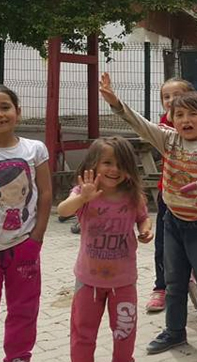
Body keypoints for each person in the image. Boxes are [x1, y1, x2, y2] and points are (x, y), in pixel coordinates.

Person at [99, 72, 197, 354]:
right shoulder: (168, 140)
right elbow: (139, 124)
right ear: (172, 119)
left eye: (193, 114)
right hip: (173, 223)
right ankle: (174, 332)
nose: (185, 120)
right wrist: (115, 102)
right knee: (174, 281)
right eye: (179, 115)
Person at [57, 137, 153, 362]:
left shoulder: (133, 196)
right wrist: (82, 198)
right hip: (88, 281)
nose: (114, 169)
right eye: (107, 163)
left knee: (124, 332)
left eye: (121, 164)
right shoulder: (84, 193)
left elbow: (143, 218)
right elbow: (62, 210)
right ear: (93, 164)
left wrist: (145, 230)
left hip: (123, 281)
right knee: (83, 332)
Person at [146, 78, 197, 313]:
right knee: (163, 246)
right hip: (171, 197)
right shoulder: (167, 124)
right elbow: (170, 120)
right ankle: (161, 287)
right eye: (166, 97)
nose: (171, 101)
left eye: (178, 96)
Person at [0, 85, 52, 362]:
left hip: (24, 246)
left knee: (24, 308)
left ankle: (18, 356)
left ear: (18, 111)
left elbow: (46, 193)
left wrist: (37, 237)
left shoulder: (34, 149)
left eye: (4, 107)